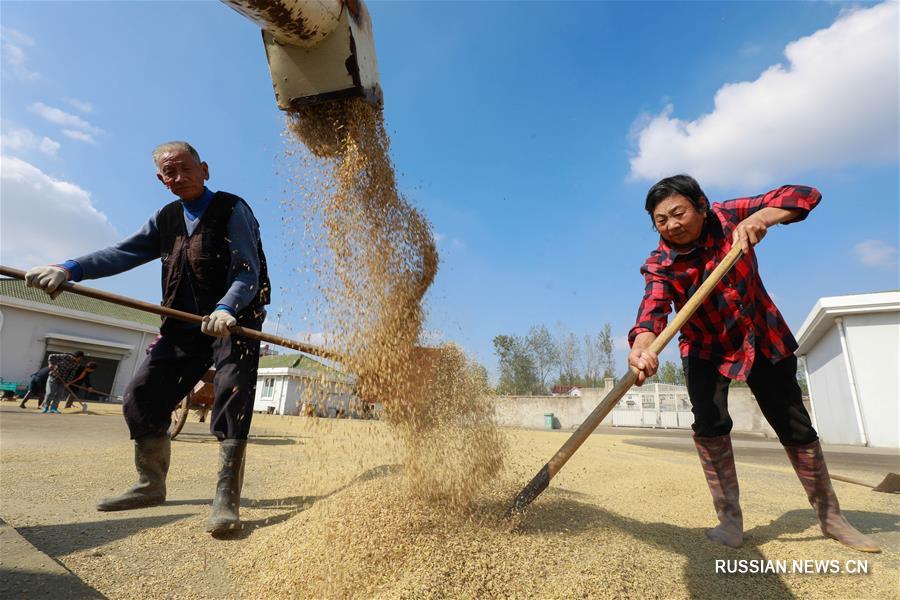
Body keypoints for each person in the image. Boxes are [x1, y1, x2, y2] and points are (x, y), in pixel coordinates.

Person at [25, 141, 270, 535]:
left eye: (186, 169)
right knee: (141, 394)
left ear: (204, 169)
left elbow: (247, 270)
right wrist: (68, 268)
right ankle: (150, 484)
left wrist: (226, 308)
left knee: (231, 397)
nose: (179, 178)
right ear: (161, 179)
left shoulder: (232, 209)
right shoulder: (166, 218)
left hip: (232, 322)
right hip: (182, 325)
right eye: (169, 173)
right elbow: (121, 253)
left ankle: (226, 498)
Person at [627, 174, 879, 553]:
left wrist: (765, 216)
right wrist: (642, 348)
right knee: (710, 426)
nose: (672, 225)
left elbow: (805, 194)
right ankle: (730, 522)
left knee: (794, 424)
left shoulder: (729, 217)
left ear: (700, 204)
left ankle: (831, 518)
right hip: (705, 349)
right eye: (661, 221)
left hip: (761, 335)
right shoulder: (661, 263)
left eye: (678, 213)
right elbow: (652, 313)